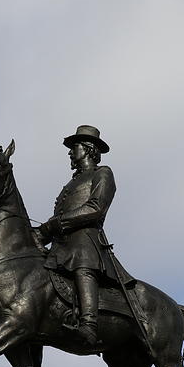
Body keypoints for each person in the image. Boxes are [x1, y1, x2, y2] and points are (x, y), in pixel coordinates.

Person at [37, 125, 126, 345]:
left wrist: (54, 225)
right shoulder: (71, 183)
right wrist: (40, 234)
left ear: (87, 149)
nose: (70, 153)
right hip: (61, 245)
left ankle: (89, 324)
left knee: (83, 266)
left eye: (73, 147)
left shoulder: (103, 173)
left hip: (85, 242)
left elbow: (95, 208)